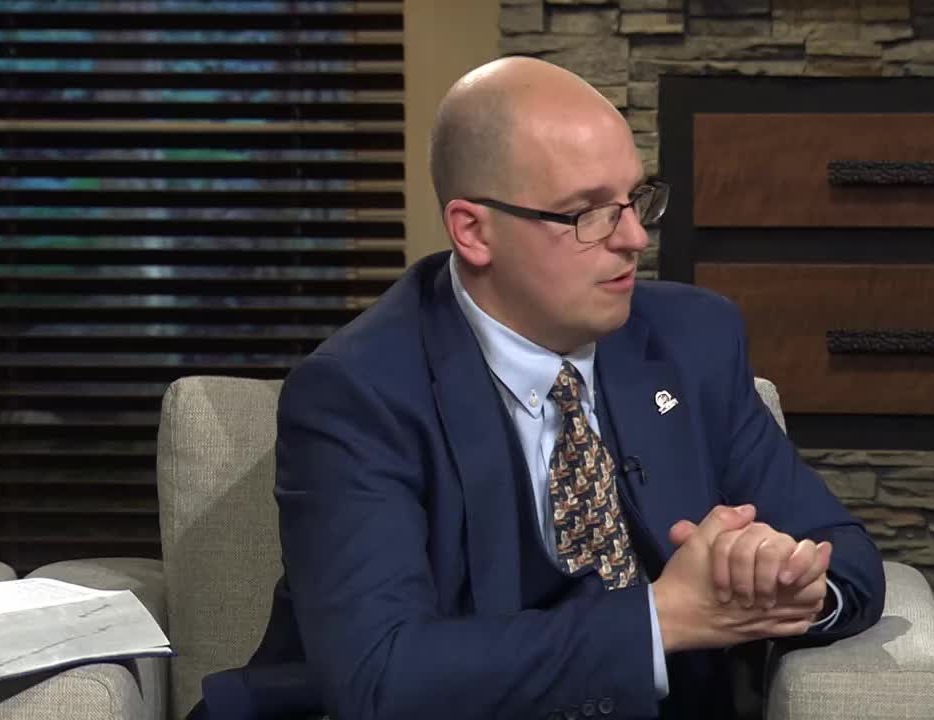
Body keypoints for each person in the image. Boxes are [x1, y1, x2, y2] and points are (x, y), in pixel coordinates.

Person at [194, 56, 885, 720]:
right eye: (589, 212)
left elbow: (845, 555)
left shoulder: (691, 340)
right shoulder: (358, 393)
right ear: (474, 230)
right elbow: (382, 676)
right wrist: (661, 620)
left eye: (636, 198)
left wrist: (781, 581)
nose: (635, 237)